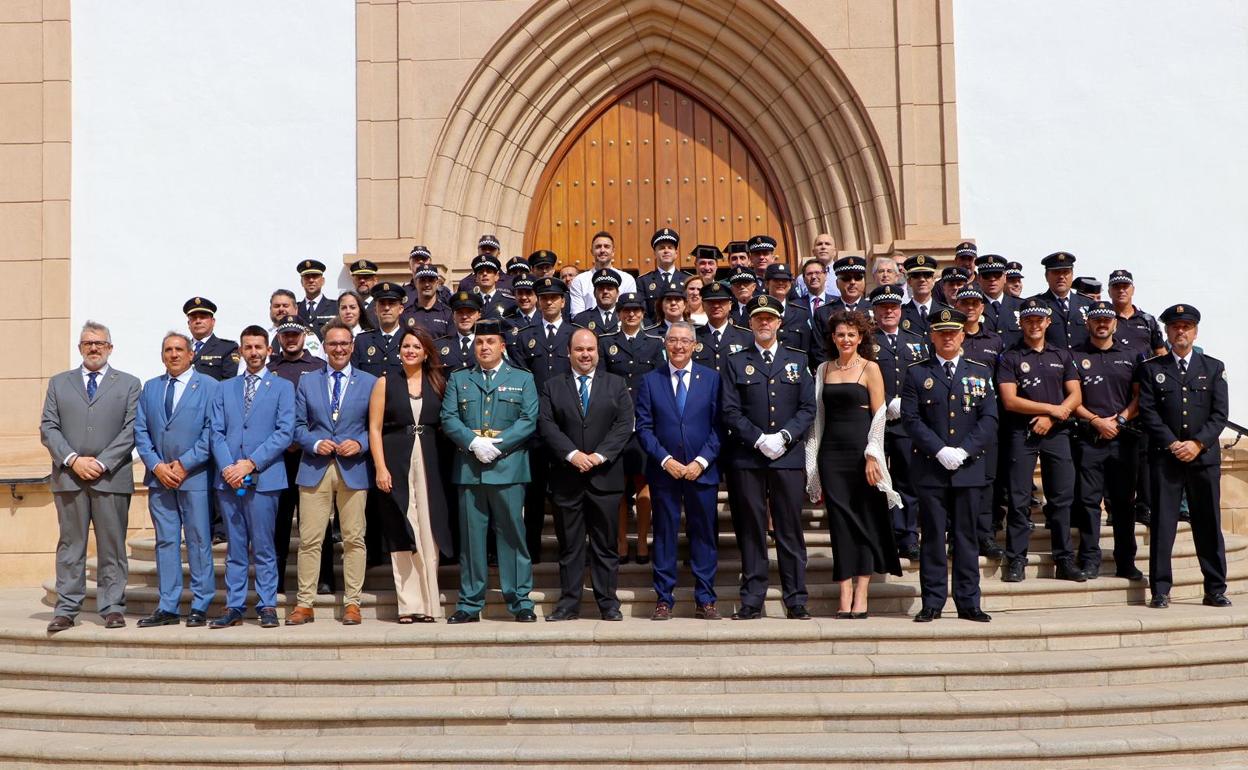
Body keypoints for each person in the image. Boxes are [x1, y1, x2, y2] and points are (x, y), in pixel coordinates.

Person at [40, 322, 141, 633]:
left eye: (100, 343)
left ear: (110, 348)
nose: (94, 348)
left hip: (111, 478)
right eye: (87, 343)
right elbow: (48, 427)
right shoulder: (59, 383)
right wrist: (72, 460)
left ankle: (112, 607)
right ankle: (67, 608)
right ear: (79, 348)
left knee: (112, 546)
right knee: (71, 546)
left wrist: (101, 463)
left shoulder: (129, 383)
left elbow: (132, 429)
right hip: (70, 477)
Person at [720, 295, 817, 619]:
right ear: (750, 324)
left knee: (790, 529)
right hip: (747, 458)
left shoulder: (797, 359)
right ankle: (752, 598)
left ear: (779, 322)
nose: (764, 323)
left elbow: (807, 408)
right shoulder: (735, 362)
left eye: (770, 318)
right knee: (751, 529)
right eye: (758, 318)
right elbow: (729, 410)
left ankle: (796, 598)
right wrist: (759, 438)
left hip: (787, 458)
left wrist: (785, 437)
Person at [441, 319, 540, 623]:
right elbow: (448, 416)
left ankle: (520, 599)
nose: (484, 347)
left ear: (502, 346)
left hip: (507, 467)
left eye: (491, 342)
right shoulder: (460, 379)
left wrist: (497, 444)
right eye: (480, 343)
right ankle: (471, 603)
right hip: (470, 469)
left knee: (512, 536)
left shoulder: (522, 378)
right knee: (472, 539)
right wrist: (473, 443)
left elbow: (529, 418)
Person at [805, 310, 902, 619]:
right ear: (832, 338)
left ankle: (862, 592)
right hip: (831, 455)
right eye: (840, 335)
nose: (845, 340)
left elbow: (879, 414)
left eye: (851, 334)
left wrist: (874, 455)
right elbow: (818, 416)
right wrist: (814, 460)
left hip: (862, 455)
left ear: (861, 337)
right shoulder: (823, 369)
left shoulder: (870, 368)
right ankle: (844, 590)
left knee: (864, 521)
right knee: (841, 524)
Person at [902, 309, 997, 623]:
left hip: (968, 470)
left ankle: (969, 602)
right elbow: (911, 419)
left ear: (962, 335)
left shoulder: (980, 372)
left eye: (953, 332)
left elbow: (989, 419)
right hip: (931, 468)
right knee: (931, 538)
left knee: (966, 537)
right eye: (941, 332)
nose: (947, 337)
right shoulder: (917, 372)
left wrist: (965, 451)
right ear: (932, 335)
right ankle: (932, 602)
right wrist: (940, 449)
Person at [538, 329, 634, 621]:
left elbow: (624, 423)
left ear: (598, 352)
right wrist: (572, 455)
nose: (585, 354)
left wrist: (598, 455)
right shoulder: (552, 386)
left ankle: (608, 602)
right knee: (569, 546)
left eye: (590, 349)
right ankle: (569, 603)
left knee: (605, 545)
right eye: (579, 349)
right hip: (567, 478)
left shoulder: (616, 384)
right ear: (569, 352)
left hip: (605, 478)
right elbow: (546, 424)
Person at [1137, 304, 1229, 609]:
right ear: (1167, 331)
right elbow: (1148, 412)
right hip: (1166, 458)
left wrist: (1198, 444)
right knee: (1163, 527)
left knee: (1208, 525)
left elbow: (1219, 415)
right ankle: (1160, 590)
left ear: (1195, 331)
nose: (1181, 332)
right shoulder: (1153, 369)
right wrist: (1174, 444)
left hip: (1203, 459)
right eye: (1176, 327)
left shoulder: (1213, 368)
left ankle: (1215, 588)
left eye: (1187, 326)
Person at [287, 321, 378, 626]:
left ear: (352, 346)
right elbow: (297, 426)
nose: (338, 349)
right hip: (315, 468)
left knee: (354, 538)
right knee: (311, 539)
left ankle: (353, 603)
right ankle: (304, 603)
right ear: (323, 347)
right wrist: (313, 442)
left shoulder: (370, 382)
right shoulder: (307, 381)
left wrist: (361, 443)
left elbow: (376, 427)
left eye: (344, 344)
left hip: (353, 469)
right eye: (332, 344)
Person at [208, 325, 296, 629]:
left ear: (268, 351)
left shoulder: (282, 387)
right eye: (248, 347)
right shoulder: (225, 388)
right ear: (241, 351)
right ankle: (234, 605)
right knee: (235, 546)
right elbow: (215, 431)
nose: (254, 353)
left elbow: (285, 432)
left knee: (263, 545)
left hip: (265, 478)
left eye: (259, 347)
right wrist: (228, 467)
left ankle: (267, 604)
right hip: (229, 479)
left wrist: (251, 463)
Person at [635, 321, 723, 620]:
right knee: (664, 534)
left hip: (702, 472)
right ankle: (663, 598)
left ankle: (706, 598)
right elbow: (644, 428)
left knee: (704, 535)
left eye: (685, 341)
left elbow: (719, 426)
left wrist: (701, 462)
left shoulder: (712, 379)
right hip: (665, 472)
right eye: (673, 340)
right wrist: (665, 460)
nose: (679, 346)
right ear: (664, 344)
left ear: (695, 345)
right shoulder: (650, 380)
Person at [133, 332, 219, 628]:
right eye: (168, 349)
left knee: (198, 540)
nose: (173, 354)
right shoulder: (151, 388)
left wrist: (184, 464)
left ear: (191, 354)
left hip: (193, 476)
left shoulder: (209, 386)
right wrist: (157, 466)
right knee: (166, 542)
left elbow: (212, 431)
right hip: (160, 481)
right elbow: (141, 432)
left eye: (179, 349)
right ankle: (167, 605)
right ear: (162, 355)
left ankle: (200, 602)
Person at [997, 298, 1085, 584]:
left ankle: (1064, 559)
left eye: (1039, 320)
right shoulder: (1010, 357)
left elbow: (1075, 395)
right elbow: (1010, 401)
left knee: (1061, 498)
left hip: (1056, 433)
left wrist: (1054, 418)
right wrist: (1050, 409)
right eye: (1028, 320)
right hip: (1021, 432)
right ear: (1021, 323)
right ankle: (1016, 559)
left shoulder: (1062, 355)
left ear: (1048, 322)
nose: (1034, 325)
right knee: (1020, 498)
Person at [370, 326, 454, 622]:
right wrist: (380, 466)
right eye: (406, 346)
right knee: (404, 529)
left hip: (431, 460)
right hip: (396, 459)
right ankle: (409, 605)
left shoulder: (439, 381)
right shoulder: (386, 382)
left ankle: (431, 604)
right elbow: (375, 428)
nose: (410, 351)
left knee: (429, 529)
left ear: (426, 351)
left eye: (416, 346)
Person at [1070, 301, 1144, 581]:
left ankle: (1126, 560)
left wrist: (1120, 420)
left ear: (1115, 323)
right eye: (1097, 319)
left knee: (1124, 503)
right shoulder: (1074, 355)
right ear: (1088, 323)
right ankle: (1089, 559)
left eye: (1107, 319)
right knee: (1088, 503)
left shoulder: (1132, 354)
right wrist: (1096, 421)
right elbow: (1072, 398)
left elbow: (1139, 396)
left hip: (1123, 440)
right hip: (1089, 438)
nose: (1102, 323)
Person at [510, 276, 577, 561]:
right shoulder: (525, 335)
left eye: (554, 297)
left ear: (563, 301)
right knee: (533, 494)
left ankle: (570, 550)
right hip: (535, 429)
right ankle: (532, 550)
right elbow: (523, 380)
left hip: (568, 428)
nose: (549, 301)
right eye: (544, 296)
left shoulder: (575, 335)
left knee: (567, 494)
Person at [598, 292, 665, 565]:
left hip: (645, 424)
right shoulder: (606, 343)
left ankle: (642, 542)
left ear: (643, 314)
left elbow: (660, 384)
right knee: (618, 487)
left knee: (644, 485)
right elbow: (601, 382)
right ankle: (621, 541)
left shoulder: (654, 342)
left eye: (636, 310)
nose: (631, 314)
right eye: (626, 310)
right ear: (619, 313)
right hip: (614, 426)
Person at [267, 316, 330, 597]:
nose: (291, 339)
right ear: (279, 337)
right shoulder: (270, 370)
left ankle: (325, 578)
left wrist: (303, 439)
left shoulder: (319, 367)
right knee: (279, 523)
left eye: (295, 334)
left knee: (316, 522)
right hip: (279, 457)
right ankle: (276, 580)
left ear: (305, 335)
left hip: (311, 454)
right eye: (285, 335)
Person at [869, 284, 927, 562]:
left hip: (907, 422)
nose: (889, 311)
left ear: (901, 309)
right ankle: (882, 536)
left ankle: (907, 536)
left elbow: (925, 379)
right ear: (875, 311)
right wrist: (887, 400)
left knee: (906, 480)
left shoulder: (917, 340)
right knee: (877, 480)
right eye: (883, 307)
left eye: (893, 306)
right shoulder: (866, 342)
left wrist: (907, 404)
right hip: (876, 421)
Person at [955, 285, 1007, 558]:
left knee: (987, 482)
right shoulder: (950, 337)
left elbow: (1001, 382)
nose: (970, 307)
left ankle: (985, 535)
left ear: (982, 307)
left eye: (975, 303)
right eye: (965, 303)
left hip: (985, 419)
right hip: (954, 419)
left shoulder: (995, 342)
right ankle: (957, 535)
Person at [811, 256, 869, 365]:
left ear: (864, 281)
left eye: (858, 278)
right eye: (846, 278)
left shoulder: (875, 310)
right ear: (837, 283)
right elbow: (818, 351)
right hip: (834, 374)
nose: (852, 282)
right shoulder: (823, 312)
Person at [1032, 251, 1091, 352]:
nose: (1061, 277)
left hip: (1083, 364)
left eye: (1065, 272)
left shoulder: (1088, 304)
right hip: (1050, 363)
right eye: (1056, 272)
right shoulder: (1036, 304)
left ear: (1072, 275)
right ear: (1046, 276)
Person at [694, 280, 753, 373]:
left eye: (721, 302)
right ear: (703, 305)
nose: (716, 305)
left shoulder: (746, 337)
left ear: (730, 305)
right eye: (711, 302)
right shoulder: (693, 336)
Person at [352, 282, 407, 376]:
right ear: (375, 310)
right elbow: (354, 376)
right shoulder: (362, 341)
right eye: (382, 304)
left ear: (401, 309)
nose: (386, 308)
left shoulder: (409, 339)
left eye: (391, 303)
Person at [762, 263, 813, 353]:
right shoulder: (754, 311)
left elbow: (807, 347)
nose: (781, 283)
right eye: (776, 280)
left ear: (790, 284)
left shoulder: (801, 313)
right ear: (766, 283)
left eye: (785, 280)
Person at [638, 228, 687, 321]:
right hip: (652, 332)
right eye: (661, 248)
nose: (666, 250)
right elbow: (642, 313)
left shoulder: (687, 280)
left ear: (676, 253)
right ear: (655, 254)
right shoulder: (643, 282)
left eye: (670, 247)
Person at [185, 297, 238, 382]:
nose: (198, 321)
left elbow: (228, 382)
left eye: (202, 317)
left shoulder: (227, 348)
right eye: (194, 318)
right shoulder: (181, 348)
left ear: (213, 321)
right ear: (189, 323)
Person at [975, 255, 1022, 349]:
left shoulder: (1020, 306)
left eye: (997, 275)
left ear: (1005, 277)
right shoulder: (974, 308)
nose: (992, 279)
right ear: (979, 279)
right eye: (986, 275)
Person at [436, 290, 483, 373]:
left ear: (479, 315)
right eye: (460, 312)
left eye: (470, 312)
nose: (464, 317)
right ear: (453, 316)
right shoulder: (439, 346)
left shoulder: (488, 344)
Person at [404, 264, 453, 339]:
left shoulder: (448, 314)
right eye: (422, 280)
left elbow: (452, 344)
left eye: (431, 280)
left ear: (437, 283)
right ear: (416, 283)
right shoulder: (406, 314)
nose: (427, 284)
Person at [570, 269, 622, 334]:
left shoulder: (626, 316)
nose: (605, 291)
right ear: (594, 293)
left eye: (609, 288)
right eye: (601, 288)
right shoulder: (581, 319)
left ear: (617, 293)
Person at [901, 254, 944, 335]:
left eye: (927, 275)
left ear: (933, 280)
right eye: (916, 275)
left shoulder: (944, 312)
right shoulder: (900, 314)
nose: (922, 279)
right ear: (909, 281)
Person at [296, 259, 339, 336]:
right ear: (301, 282)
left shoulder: (336, 307)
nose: (311, 280)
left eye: (315, 276)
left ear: (323, 281)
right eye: (307, 277)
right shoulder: (295, 309)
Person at [795, 233, 838, 298]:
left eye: (827, 244)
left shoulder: (841, 276)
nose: (823, 247)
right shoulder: (801, 279)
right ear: (813, 251)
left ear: (835, 252)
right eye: (819, 244)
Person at [348, 258, 380, 328]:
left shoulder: (381, 305)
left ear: (375, 280)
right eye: (358, 278)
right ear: (353, 281)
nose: (362, 281)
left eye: (366, 277)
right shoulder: (347, 306)